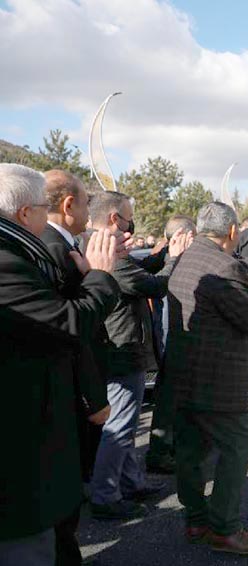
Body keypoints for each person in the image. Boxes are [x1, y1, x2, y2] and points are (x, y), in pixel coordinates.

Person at [0, 164, 121, 566]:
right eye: (41, 207)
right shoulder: (8, 260)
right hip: (23, 439)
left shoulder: (22, 250)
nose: (47, 215)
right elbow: (68, 324)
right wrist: (101, 276)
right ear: (23, 214)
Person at [166, 202, 248, 555]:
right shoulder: (225, 265)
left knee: (190, 450)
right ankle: (224, 528)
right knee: (236, 448)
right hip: (218, 381)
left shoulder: (186, 256)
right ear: (232, 232)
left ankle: (196, 518)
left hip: (184, 376)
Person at [88, 191, 191, 520]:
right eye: (129, 216)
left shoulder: (104, 249)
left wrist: (161, 254)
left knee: (126, 424)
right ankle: (105, 496)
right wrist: (174, 259)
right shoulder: (111, 258)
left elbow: (141, 270)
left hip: (120, 351)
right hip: (123, 352)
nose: (133, 225)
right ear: (115, 219)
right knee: (118, 427)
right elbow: (152, 285)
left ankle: (130, 483)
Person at [41, 170, 117, 565]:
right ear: (70, 204)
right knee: (67, 493)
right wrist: (94, 398)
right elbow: (75, 332)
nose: (91, 211)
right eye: (87, 202)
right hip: (72, 392)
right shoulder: (53, 249)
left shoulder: (64, 245)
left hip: (74, 388)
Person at [146, 214, 197, 476]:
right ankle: (160, 452)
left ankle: (170, 448)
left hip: (173, 337)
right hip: (172, 339)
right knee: (168, 398)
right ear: (182, 236)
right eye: (193, 235)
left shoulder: (167, 257)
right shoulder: (171, 261)